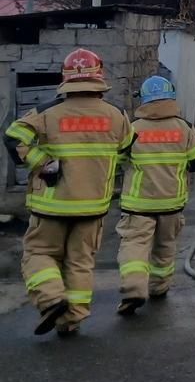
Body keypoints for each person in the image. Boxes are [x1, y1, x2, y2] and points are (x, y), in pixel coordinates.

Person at [4, 49, 133, 336]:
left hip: (51, 204)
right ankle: (71, 320)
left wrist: (40, 162)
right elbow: (126, 152)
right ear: (99, 76)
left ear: (66, 78)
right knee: (80, 261)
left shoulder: (47, 113)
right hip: (93, 207)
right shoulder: (117, 116)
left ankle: (51, 300)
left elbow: (13, 136)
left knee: (38, 252)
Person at [114, 75, 195, 315]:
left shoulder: (133, 129)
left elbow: (119, 160)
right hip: (172, 203)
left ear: (144, 99)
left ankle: (134, 288)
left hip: (138, 204)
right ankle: (159, 287)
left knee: (135, 245)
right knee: (165, 245)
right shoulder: (184, 128)